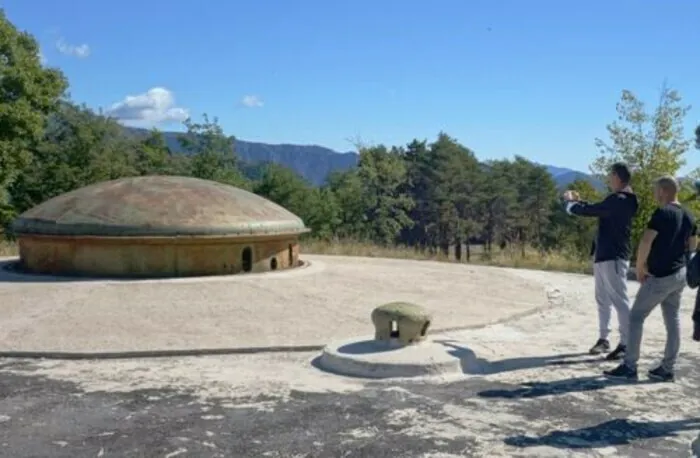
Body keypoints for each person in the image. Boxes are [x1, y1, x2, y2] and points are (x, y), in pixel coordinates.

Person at [604, 176, 697, 382]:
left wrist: (639, 267)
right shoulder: (689, 215)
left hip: (661, 276)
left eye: (656, 190)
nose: (655, 194)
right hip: (679, 274)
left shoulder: (662, 213)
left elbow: (646, 240)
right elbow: (692, 245)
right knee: (672, 320)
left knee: (636, 317)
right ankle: (667, 368)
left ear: (663, 191)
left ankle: (630, 366)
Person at [562, 162, 638, 360]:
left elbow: (593, 210)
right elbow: (600, 208)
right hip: (605, 255)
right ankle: (604, 339)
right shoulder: (619, 200)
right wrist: (579, 203)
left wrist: (571, 204)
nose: (608, 179)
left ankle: (626, 343)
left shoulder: (621, 199)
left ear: (617, 177)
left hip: (613, 256)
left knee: (619, 300)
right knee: (602, 299)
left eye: (610, 175)